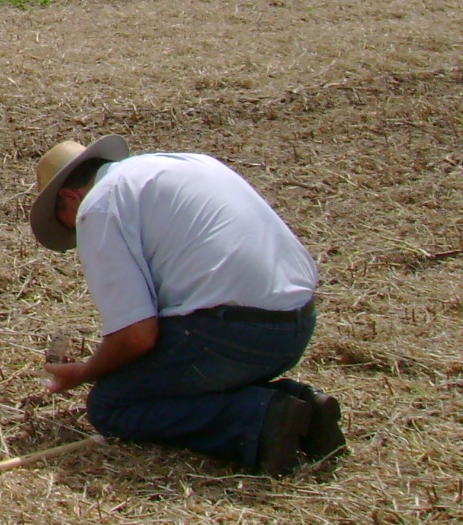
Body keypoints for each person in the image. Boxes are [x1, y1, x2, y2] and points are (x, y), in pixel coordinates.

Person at [29, 136, 344, 476]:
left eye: (69, 224)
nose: (78, 235)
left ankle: (260, 420)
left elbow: (137, 337)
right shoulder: (184, 164)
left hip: (234, 334)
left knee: (113, 403)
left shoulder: (99, 206)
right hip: (297, 324)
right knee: (171, 376)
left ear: (70, 197)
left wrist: (86, 372)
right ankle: (303, 406)